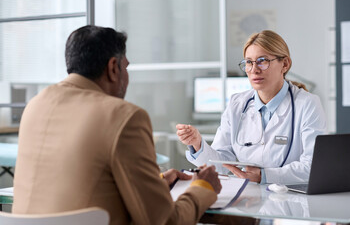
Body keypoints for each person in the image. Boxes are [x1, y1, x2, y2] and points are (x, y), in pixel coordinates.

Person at [13, 25, 222, 225]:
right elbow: (165, 222)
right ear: (113, 68)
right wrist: (203, 187)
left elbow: (74, 183)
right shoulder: (124, 117)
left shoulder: (35, 105)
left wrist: (154, 183)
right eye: (126, 67)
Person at [176, 30, 326, 185]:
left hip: (290, 200)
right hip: (246, 198)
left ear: (285, 64)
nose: (254, 69)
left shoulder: (307, 104)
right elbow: (220, 165)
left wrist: (264, 176)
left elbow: (313, 167)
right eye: (249, 62)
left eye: (263, 61)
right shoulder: (237, 104)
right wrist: (197, 144)